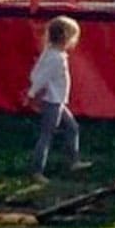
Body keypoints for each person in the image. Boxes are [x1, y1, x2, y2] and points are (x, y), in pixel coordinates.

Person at [27, 16, 91, 182]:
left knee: (72, 127)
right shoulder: (56, 58)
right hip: (53, 101)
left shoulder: (50, 53)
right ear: (66, 38)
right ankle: (37, 170)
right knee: (47, 135)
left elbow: (36, 72)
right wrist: (32, 93)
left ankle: (73, 161)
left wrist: (34, 88)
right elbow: (42, 77)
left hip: (58, 100)